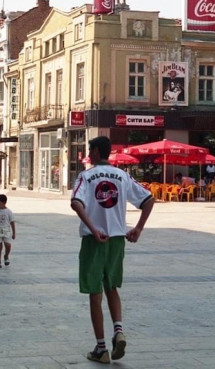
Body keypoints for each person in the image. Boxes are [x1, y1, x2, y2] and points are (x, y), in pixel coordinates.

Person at [70, 136, 154, 364]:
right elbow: (148, 199)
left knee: (94, 293)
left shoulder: (86, 176)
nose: (89, 154)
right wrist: (138, 228)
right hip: (117, 239)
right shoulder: (122, 175)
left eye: (90, 150)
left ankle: (101, 348)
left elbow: (76, 203)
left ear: (97, 152)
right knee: (112, 287)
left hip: (95, 241)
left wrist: (93, 228)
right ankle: (118, 330)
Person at [0, 194, 16, 268]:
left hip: (6, 230)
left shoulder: (9, 212)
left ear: (4, 202)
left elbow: (12, 222)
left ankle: (6, 256)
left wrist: (14, 232)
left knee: (8, 245)